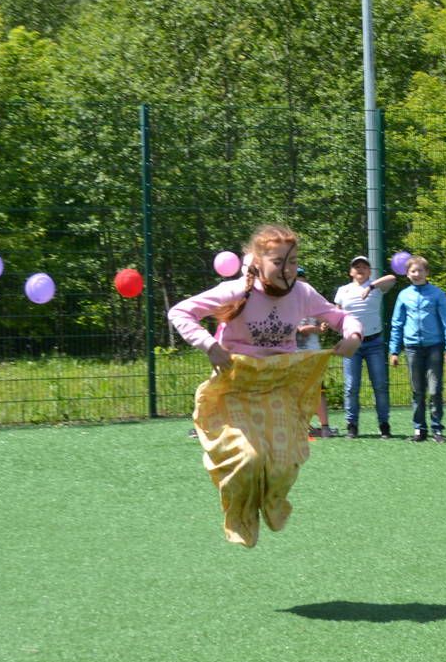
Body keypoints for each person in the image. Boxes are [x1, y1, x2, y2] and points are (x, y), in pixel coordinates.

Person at [168, 225, 362, 547]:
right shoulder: (236, 291)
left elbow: (340, 317)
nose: (287, 269)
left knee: (285, 465)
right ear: (258, 262)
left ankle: (273, 503)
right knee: (248, 458)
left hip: (279, 386)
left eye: (292, 261)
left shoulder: (302, 292)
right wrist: (208, 345)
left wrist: (353, 335)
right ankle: (239, 516)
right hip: (237, 387)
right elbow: (180, 311)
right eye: (278, 262)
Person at [389, 256, 446, 442]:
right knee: (417, 390)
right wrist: (394, 351)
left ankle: (437, 428)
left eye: (420, 271)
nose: (417, 274)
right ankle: (419, 429)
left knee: (435, 390)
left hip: (434, 347)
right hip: (412, 348)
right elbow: (397, 323)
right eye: (413, 271)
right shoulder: (403, 295)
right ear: (407, 274)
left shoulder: (437, 294)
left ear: (427, 272)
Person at [333, 255, 397, 438]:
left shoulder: (377, 288)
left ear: (369, 271)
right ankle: (352, 425)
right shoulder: (343, 291)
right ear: (350, 271)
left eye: (364, 267)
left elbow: (392, 278)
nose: (360, 269)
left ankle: (384, 425)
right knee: (351, 386)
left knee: (380, 385)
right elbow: (336, 314)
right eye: (356, 267)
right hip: (352, 344)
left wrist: (371, 286)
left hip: (374, 343)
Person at [293, 267, 337, 438]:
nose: (299, 282)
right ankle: (302, 426)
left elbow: (324, 318)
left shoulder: (313, 300)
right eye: (296, 279)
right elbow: (301, 329)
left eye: (302, 278)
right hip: (294, 353)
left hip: (312, 353)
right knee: (297, 391)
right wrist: (319, 329)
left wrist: (325, 324)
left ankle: (324, 427)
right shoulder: (287, 303)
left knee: (318, 390)